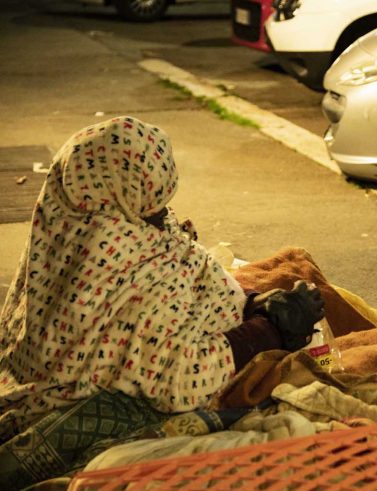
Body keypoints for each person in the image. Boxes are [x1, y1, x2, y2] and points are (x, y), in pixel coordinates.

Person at [0, 116, 325, 443]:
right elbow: (180, 378)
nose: (162, 215)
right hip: (196, 375)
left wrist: (252, 301)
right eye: (154, 206)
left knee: (297, 270)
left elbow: (184, 261)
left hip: (221, 323)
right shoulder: (110, 252)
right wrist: (268, 328)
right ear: (127, 190)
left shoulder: (72, 213)